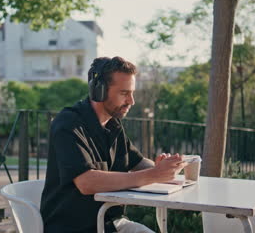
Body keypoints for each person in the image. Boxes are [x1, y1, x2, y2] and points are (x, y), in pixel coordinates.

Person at [40, 56, 186, 233]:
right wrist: (154, 174)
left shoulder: (113, 125)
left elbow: (138, 163)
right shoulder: (67, 124)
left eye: (132, 93)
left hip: (111, 223)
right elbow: (86, 182)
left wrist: (165, 169)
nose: (131, 101)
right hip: (72, 228)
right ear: (99, 90)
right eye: (124, 93)